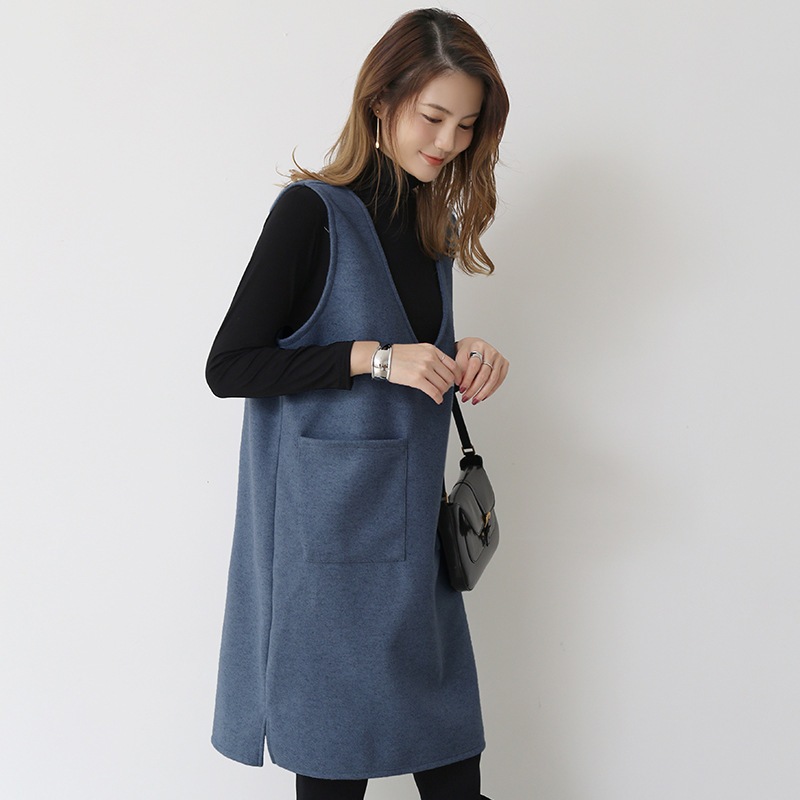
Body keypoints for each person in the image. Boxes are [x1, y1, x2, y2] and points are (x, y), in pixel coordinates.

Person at [206, 9, 510, 799]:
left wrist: (464, 353)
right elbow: (229, 366)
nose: (447, 143)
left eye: (466, 126)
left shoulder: (431, 223)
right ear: (381, 101)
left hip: (415, 555)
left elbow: (413, 359)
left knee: (456, 772)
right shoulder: (311, 213)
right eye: (432, 117)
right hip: (326, 566)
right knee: (335, 782)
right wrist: (374, 358)